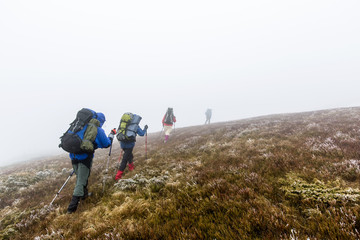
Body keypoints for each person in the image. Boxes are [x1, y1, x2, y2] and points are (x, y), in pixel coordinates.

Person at [67, 110, 114, 214]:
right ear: (101, 121)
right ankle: (71, 209)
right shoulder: (97, 129)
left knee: (81, 177)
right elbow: (106, 144)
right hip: (85, 157)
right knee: (81, 181)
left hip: (73, 155)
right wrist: (111, 135)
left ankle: (84, 195)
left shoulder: (80, 125)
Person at [115, 115, 148, 180]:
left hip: (122, 144)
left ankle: (131, 168)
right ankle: (118, 176)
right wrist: (145, 129)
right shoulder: (135, 126)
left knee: (129, 155)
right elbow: (141, 134)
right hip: (129, 145)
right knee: (124, 159)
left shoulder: (123, 124)